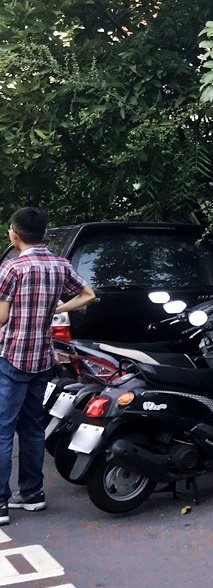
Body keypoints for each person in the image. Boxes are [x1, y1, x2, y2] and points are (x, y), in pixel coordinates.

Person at [0, 207, 94, 525]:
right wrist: (57, 306)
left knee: (2, 430)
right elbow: (88, 294)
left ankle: (1, 503)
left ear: (15, 234)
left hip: (10, 357)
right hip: (42, 358)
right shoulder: (59, 265)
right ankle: (32, 494)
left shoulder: (12, 268)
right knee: (31, 428)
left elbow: (1, 317)